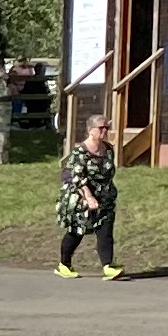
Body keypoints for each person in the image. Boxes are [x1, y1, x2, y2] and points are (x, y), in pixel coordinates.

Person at [56, 114, 121, 278]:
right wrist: (89, 197)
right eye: (101, 128)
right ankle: (64, 264)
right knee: (77, 231)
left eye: (107, 127)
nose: (105, 131)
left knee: (105, 231)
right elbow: (76, 178)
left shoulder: (108, 149)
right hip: (81, 198)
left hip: (105, 197)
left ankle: (108, 266)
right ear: (91, 130)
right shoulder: (80, 153)